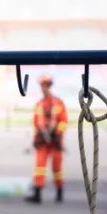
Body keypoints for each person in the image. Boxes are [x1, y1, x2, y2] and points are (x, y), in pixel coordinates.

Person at [26, 75, 68, 204]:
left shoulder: (58, 103)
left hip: (55, 142)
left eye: (45, 85)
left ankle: (59, 191)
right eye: (42, 86)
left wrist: (57, 132)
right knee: (39, 166)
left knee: (57, 167)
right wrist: (36, 138)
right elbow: (36, 122)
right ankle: (37, 193)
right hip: (42, 142)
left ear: (49, 86)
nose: (43, 88)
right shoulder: (39, 104)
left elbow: (64, 121)